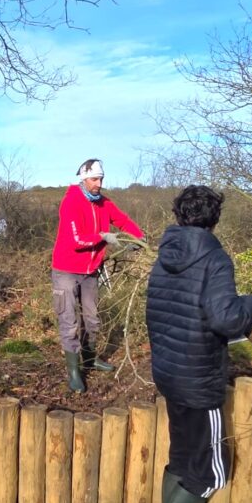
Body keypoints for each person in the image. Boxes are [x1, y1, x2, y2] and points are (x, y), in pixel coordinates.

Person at [144, 185, 252, 503]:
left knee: (184, 456)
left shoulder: (165, 255)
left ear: (179, 214)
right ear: (214, 218)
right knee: (209, 469)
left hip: (170, 371)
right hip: (198, 377)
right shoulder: (214, 258)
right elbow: (225, 317)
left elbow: (156, 314)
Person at [51, 158, 144, 393]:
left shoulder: (103, 203)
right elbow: (76, 240)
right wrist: (103, 237)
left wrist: (137, 237)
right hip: (66, 270)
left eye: (101, 179)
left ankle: (90, 359)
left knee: (92, 319)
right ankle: (74, 371)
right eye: (94, 179)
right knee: (69, 320)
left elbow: (121, 219)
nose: (98, 183)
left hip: (91, 271)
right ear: (83, 179)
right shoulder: (71, 202)